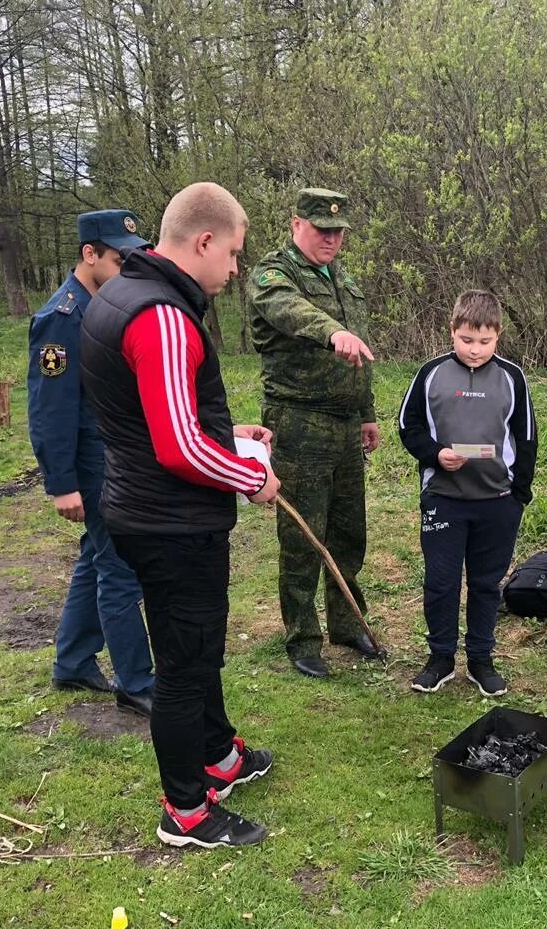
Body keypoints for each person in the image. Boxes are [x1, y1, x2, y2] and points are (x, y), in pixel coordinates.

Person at [79, 182, 281, 849]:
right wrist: (251, 474)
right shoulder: (162, 317)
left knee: (196, 646)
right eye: (233, 254)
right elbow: (179, 446)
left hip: (150, 509)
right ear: (202, 242)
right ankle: (187, 811)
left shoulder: (121, 295)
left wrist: (235, 434)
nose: (234, 270)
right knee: (185, 663)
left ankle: (220, 753)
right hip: (170, 523)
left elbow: (155, 415)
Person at [245, 188, 382, 678]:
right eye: (322, 229)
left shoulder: (342, 279)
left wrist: (366, 412)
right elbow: (289, 311)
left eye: (338, 232)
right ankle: (302, 637)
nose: (331, 239)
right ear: (296, 224)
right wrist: (331, 332)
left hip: (345, 424)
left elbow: (358, 356)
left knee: (348, 532)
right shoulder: (274, 274)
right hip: (299, 422)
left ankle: (347, 622)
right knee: (303, 534)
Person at [27, 210, 155, 717]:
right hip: (92, 464)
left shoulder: (103, 306)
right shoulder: (62, 319)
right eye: (120, 258)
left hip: (114, 456)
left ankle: (74, 660)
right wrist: (61, 483)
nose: (128, 266)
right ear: (90, 255)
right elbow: (49, 410)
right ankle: (136, 680)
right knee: (122, 567)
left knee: (97, 558)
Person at [398, 290, 537, 696]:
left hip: (497, 501)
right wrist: (435, 455)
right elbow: (409, 426)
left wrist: (519, 494)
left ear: (498, 337)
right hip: (444, 498)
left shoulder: (512, 377)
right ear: (452, 332)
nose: (475, 350)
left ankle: (481, 659)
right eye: (466, 340)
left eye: (484, 342)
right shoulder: (431, 374)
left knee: (485, 584)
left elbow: (526, 436)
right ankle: (440, 657)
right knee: (441, 582)